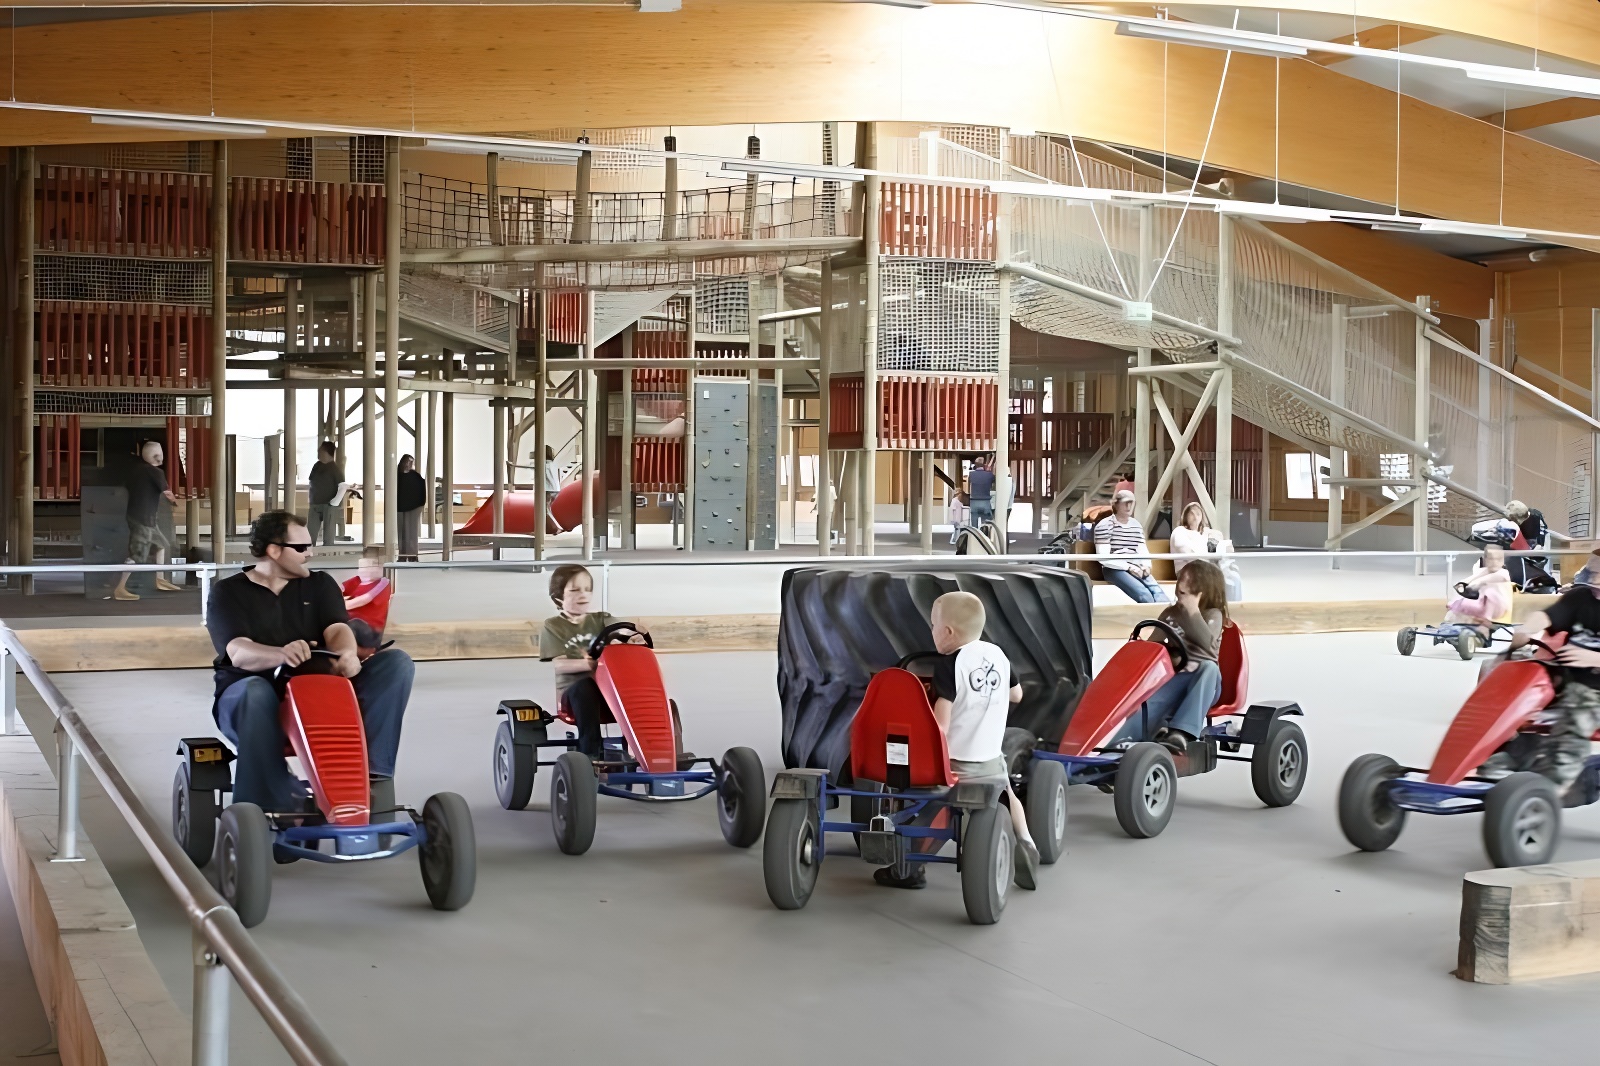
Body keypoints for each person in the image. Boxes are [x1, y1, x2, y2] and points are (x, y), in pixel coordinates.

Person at [204, 510, 415, 812]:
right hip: (253, 695)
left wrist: (346, 653)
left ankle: (374, 775)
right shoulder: (229, 592)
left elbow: (337, 627)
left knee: (397, 664)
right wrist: (280, 654)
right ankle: (269, 806)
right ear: (274, 551)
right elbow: (237, 650)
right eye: (301, 548)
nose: (310, 554)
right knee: (255, 691)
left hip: (319, 692)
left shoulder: (320, 585)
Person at [875, 591, 1037, 891]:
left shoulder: (950, 664)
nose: (932, 631)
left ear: (948, 632)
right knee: (1008, 794)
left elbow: (941, 726)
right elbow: (1017, 695)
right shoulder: (997, 654)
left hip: (957, 764)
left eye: (933, 625)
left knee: (929, 804)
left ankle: (911, 867)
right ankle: (1026, 841)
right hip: (990, 759)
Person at [1478, 577, 1600, 792]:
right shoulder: (1580, 597)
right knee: (1513, 687)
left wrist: (1594, 658)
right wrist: (1527, 628)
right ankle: (1517, 751)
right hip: (1566, 676)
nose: (1595, 573)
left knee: (1579, 705)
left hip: (1594, 688)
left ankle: (1554, 783)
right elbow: (1550, 615)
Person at [539, 565, 648, 757]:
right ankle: (591, 753)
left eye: (587, 589)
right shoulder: (554, 625)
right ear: (558, 597)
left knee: (642, 691)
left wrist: (633, 636)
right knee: (585, 686)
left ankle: (646, 750)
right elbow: (560, 664)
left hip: (610, 688)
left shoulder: (601, 619)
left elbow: (619, 629)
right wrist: (590, 664)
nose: (583, 595)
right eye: (574, 590)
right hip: (573, 692)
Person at [1121, 559, 1228, 755]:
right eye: (1180, 585)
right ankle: (1116, 749)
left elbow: (1209, 649)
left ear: (1202, 591)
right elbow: (1154, 648)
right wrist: (1169, 655)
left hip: (1205, 684)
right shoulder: (1170, 614)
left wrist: (1192, 612)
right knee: (1146, 703)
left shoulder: (1212, 615)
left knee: (1209, 667)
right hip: (1175, 679)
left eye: (1186, 588)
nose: (1179, 590)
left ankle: (1182, 732)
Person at [111, 440, 181, 601]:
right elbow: (168, 494)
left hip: (136, 515)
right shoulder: (156, 472)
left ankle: (160, 579)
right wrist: (176, 502)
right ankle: (120, 588)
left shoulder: (135, 470)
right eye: (160, 454)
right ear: (157, 456)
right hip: (144, 518)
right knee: (137, 554)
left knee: (161, 544)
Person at [1094, 489, 1169, 603]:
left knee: (1158, 592)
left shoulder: (1136, 525)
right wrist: (1128, 567)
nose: (1129, 506)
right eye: (1125, 502)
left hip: (1136, 565)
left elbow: (1142, 549)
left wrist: (1146, 566)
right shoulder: (1105, 525)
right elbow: (1104, 557)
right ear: (1116, 504)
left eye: (1131, 502)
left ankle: (1162, 619)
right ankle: (1151, 619)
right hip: (1114, 568)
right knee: (1144, 594)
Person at [1170, 501, 1244, 601]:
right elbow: (1188, 553)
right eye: (1191, 513)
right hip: (1189, 569)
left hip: (1207, 566)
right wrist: (1209, 554)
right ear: (1185, 515)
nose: (1195, 516)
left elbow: (1222, 549)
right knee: (1221, 579)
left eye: (1198, 513)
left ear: (1202, 517)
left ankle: (1232, 609)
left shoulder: (1204, 535)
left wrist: (1216, 541)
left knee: (1234, 578)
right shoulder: (1180, 531)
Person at [1443, 544, 1512, 638]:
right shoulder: (1483, 571)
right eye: (1491, 559)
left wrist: (1477, 583)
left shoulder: (1503, 573)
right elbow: (1472, 578)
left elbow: (1489, 578)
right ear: (1485, 560)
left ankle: (1484, 623)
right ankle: (1451, 627)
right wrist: (1463, 584)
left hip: (1498, 608)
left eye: (1498, 559)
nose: (1495, 562)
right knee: (1460, 603)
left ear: (1503, 560)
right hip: (1482, 605)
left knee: (1490, 591)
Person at [341, 546, 393, 654]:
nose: (364, 570)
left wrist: (341, 604)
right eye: (362, 566)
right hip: (354, 626)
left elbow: (364, 599)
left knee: (353, 624)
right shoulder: (357, 580)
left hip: (371, 632)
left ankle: (355, 652)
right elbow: (338, 589)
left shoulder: (383, 583)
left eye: (371, 565)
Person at [306, 441, 343, 547]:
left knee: (329, 533)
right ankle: (308, 552)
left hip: (329, 505)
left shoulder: (335, 468)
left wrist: (335, 502)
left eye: (320, 450)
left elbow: (342, 486)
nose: (318, 452)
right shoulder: (317, 466)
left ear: (326, 452)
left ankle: (328, 555)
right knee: (310, 533)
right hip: (315, 504)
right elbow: (311, 481)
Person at [395, 454, 426, 562]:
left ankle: (412, 555)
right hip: (399, 507)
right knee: (401, 533)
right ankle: (402, 555)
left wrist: (421, 504)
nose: (408, 464)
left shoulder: (416, 476)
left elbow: (422, 490)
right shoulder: (396, 476)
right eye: (407, 462)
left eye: (411, 462)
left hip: (414, 507)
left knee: (412, 532)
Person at [966, 456, 995, 527]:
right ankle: (985, 535)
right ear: (984, 464)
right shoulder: (989, 475)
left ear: (975, 464)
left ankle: (974, 537)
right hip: (985, 501)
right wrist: (989, 471)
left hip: (974, 501)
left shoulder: (971, 474)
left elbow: (968, 488)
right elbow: (994, 482)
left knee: (974, 525)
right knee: (986, 524)